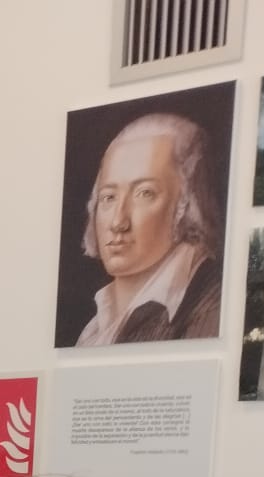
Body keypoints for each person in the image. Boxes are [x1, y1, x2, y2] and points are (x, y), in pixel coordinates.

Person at [74, 112, 223, 346]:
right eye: (109, 197)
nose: (118, 222)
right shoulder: (94, 327)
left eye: (144, 193)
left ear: (185, 203)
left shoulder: (211, 307)